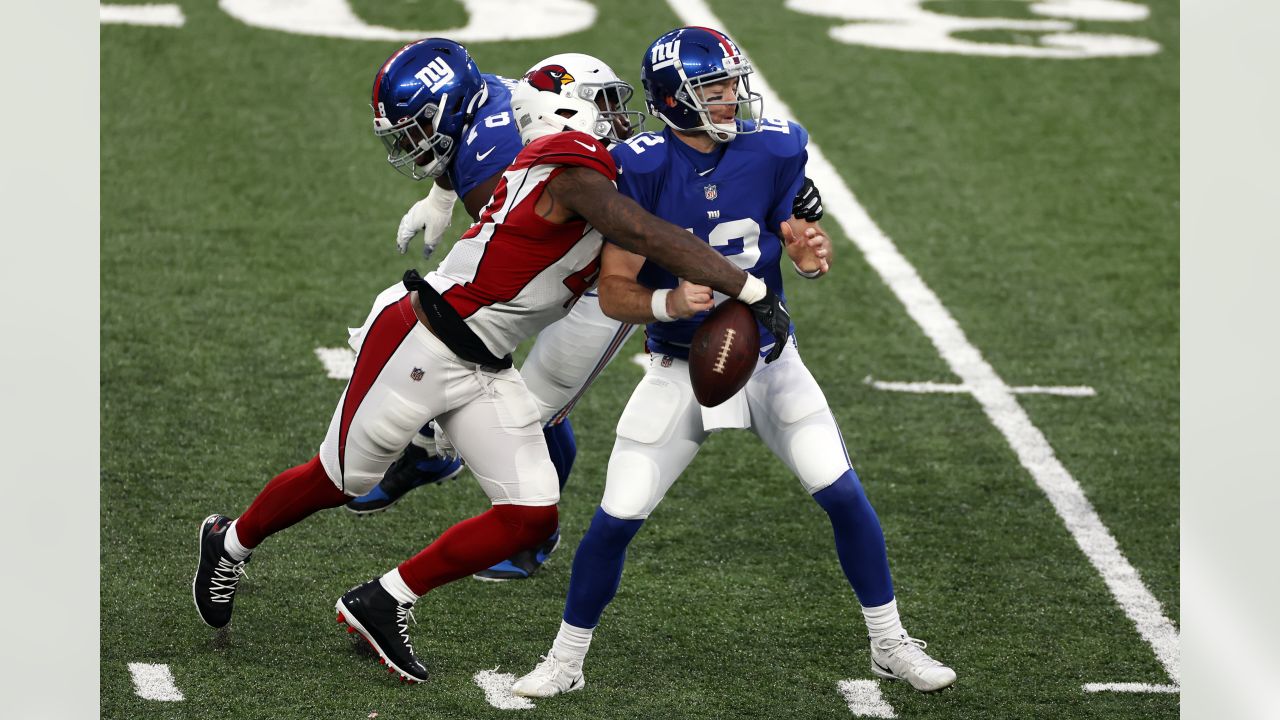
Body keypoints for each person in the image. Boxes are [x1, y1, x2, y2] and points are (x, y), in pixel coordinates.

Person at [191, 38, 793, 685]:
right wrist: (749, 287)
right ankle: (229, 542)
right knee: (338, 479)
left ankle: (384, 599)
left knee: (531, 515)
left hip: (485, 364)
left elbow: (641, 247)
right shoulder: (571, 165)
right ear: (570, 114)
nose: (622, 123)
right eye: (607, 109)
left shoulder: (569, 157)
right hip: (423, 343)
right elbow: (644, 232)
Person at [511, 26, 956, 697]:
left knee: (841, 492)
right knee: (617, 516)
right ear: (675, 99)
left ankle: (891, 642)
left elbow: (791, 232)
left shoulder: (776, 147)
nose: (731, 98)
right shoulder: (637, 168)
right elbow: (616, 290)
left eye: (730, 84)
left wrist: (806, 256)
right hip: (678, 368)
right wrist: (669, 302)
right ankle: (566, 661)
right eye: (714, 88)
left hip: (771, 360)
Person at [347, 46, 645, 582]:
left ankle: (536, 533)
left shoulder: (497, 160)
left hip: (607, 275)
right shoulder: (488, 95)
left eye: (418, 132)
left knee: (527, 404)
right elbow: (463, 139)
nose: (412, 147)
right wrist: (442, 196)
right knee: (461, 348)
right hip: (554, 257)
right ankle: (431, 453)